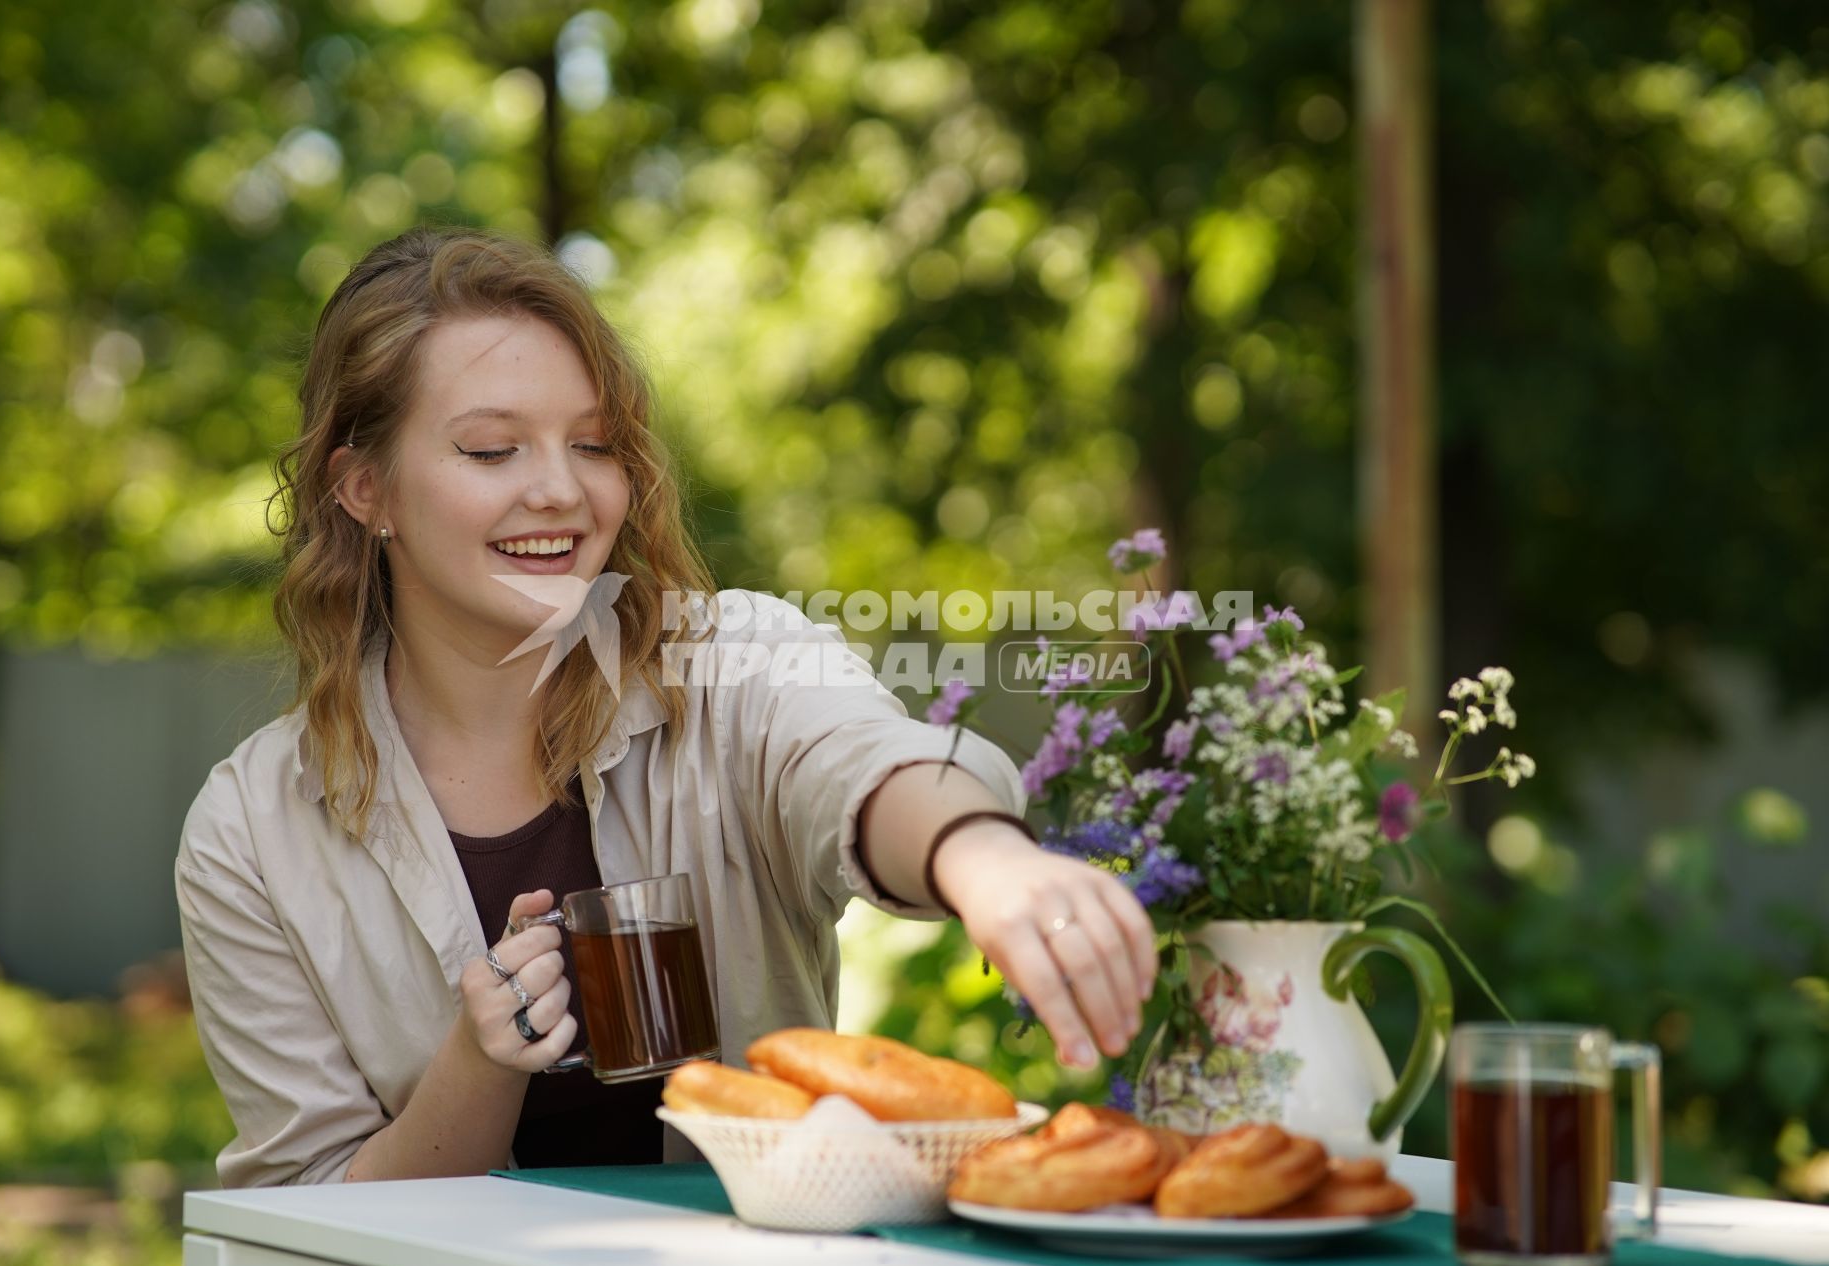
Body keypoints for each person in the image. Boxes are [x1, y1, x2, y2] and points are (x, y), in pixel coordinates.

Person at [175, 227, 1157, 1188]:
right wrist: (481, 1061)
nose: (560, 490)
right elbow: (305, 1212)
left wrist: (985, 861)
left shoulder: (733, 659)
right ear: (364, 485)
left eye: (594, 444)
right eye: (490, 450)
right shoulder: (253, 827)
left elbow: (861, 758)